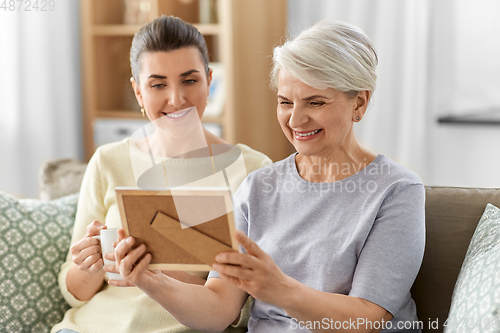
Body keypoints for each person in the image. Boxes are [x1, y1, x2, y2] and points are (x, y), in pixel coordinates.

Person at [110, 20, 425, 333]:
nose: (296, 119)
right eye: (285, 102)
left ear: (359, 102)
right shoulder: (258, 187)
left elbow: (366, 319)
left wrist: (280, 289)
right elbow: (218, 308)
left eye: (315, 102)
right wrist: (154, 282)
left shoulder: (396, 190)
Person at [52, 16, 272, 333]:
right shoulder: (108, 161)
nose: (176, 99)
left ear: (209, 80)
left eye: (189, 80)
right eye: (158, 85)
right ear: (138, 92)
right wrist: (90, 266)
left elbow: (228, 307)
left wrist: (150, 275)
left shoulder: (252, 170)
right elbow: (74, 292)